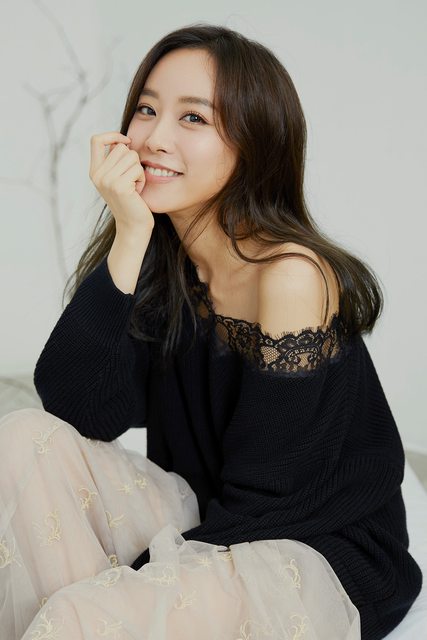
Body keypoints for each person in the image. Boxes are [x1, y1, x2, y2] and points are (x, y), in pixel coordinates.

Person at [0, 23, 422, 640]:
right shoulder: (163, 261)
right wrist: (129, 234)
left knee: (77, 615)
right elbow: (77, 408)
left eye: (193, 118)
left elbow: (271, 498)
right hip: (209, 515)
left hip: (314, 547)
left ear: (254, 144)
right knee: (21, 437)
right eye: (147, 109)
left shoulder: (291, 276)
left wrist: (123, 583)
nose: (154, 138)